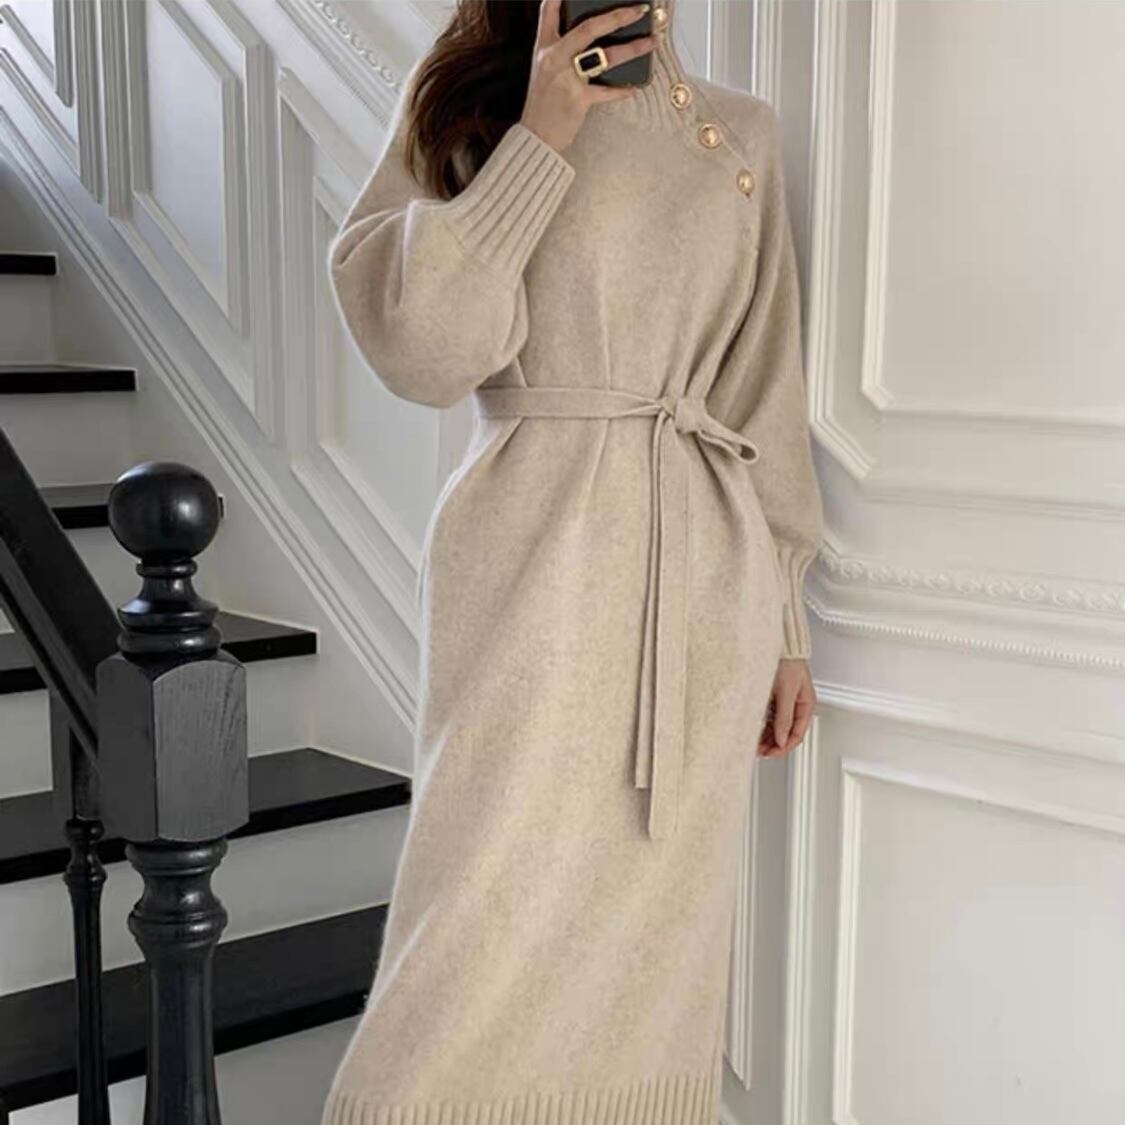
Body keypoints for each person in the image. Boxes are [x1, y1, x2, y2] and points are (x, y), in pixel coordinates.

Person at [320, 0, 825, 1121]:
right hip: (528, 558)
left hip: (703, 583)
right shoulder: (465, 101)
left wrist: (786, 623)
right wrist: (538, 139)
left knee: (655, 954)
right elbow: (424, 352)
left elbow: (763, 389)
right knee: (474, 922)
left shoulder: (738, 133)